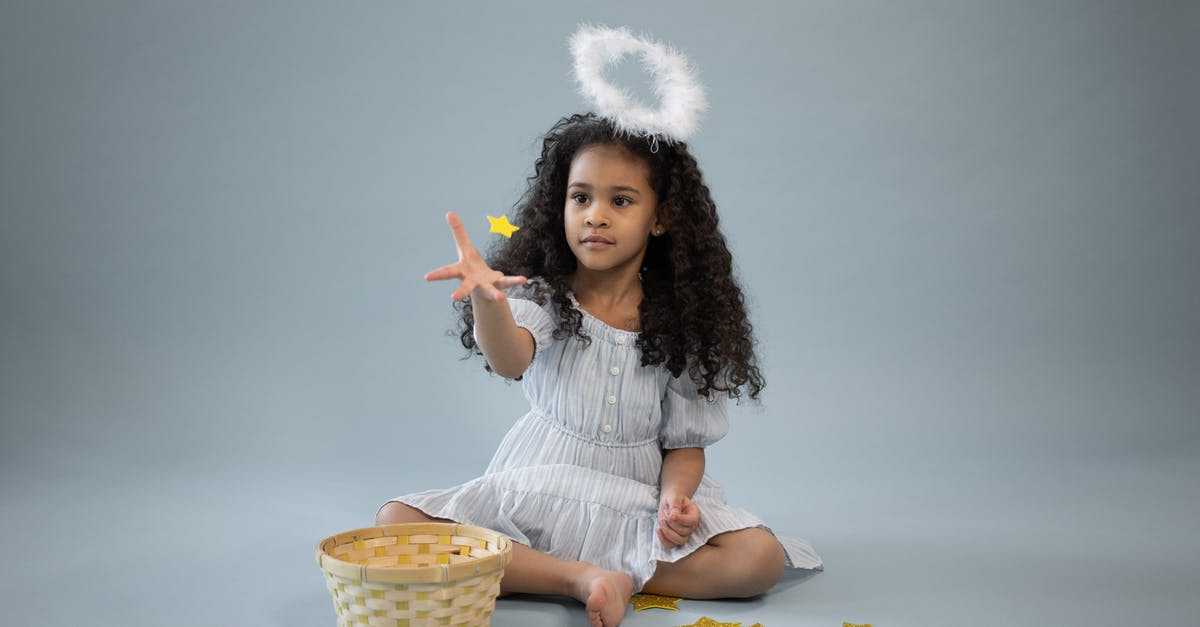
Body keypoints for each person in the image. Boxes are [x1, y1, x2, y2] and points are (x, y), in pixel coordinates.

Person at [377, 112, 821, 627]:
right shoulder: (545, 296)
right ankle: (581, 577)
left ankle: (561, 569)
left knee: (758, 560)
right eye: (581, 197)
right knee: (396, 524)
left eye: (621, 201)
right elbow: (509, 357)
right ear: (558, 207)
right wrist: (488, 298)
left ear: (660, 218)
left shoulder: (679, 324)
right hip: (541, 483)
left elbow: (684, 443)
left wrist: (677, 500)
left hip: (637, 498)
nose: (595, 215)